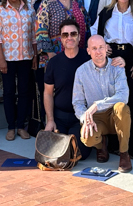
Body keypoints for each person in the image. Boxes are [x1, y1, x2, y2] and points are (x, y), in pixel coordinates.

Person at [93, 0, 133, 155]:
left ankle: (132, 144)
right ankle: (112, 143)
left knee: (131, 102)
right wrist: (103, 47)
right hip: (111, 57)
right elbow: (97, 34)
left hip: (131, 56)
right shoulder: (106, 12)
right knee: (111, 99)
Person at [72, 35, 132, 173]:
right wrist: (84, 118)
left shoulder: (117, 67)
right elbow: (78, 103)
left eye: (101, 47)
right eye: (94, 48)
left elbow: (123, 96)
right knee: (86, 138)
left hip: (114, 115)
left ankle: (124, 154)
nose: (98, 51)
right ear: (88, 51)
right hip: (96, 119)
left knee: (122, 107)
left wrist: (97, 105)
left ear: (106, 49)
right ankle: (100, 145)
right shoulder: (81, 71)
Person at [0, 0, 37, 141]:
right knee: (9, 92)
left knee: (25, 92)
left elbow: (33, 35)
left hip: (26, 57)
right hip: (8, 59)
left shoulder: (29, 9)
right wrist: (1, 60)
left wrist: (35, 55)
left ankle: (20, 126)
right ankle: (10, 127)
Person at [44, 19, 92, 160]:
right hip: (59, 117)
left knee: (78, 153)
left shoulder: (89, 59)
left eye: (73, 34)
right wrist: (50, 120)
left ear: (79, 36)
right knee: (53, 151)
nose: (69, 37)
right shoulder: (53, 63)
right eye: (65, 35)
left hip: (82, 118)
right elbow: (47, 93)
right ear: (60, 38)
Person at [36, 0, 90, 69]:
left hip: (78, 54)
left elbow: (87, 26)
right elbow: (41, 29)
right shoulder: (47, 3)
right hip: (54, 55)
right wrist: (50, 53)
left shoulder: (78, 2)